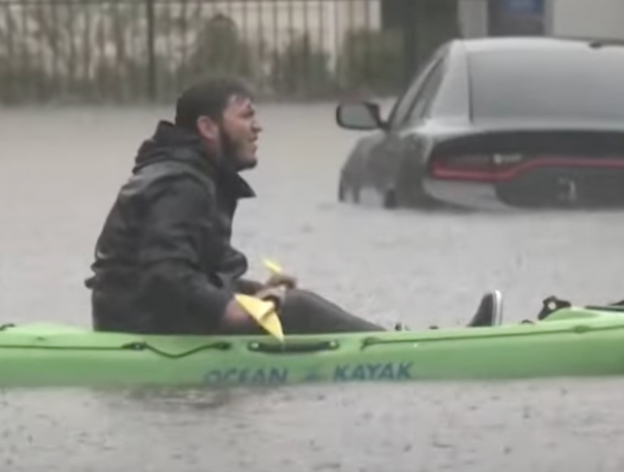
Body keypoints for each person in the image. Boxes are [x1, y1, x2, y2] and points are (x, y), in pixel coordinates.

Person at [85, 76, 502, 336]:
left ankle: (402, 339)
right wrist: (227, 310)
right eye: (245, 116)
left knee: (287, 300)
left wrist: (253, 291)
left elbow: (194, 272)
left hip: (144, 313)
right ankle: (405, 350)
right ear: (208, 127)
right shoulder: (183, 183)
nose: (257, 126)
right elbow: (165, 272)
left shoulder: (191, 174)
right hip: (140, 325)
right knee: (298, 308)